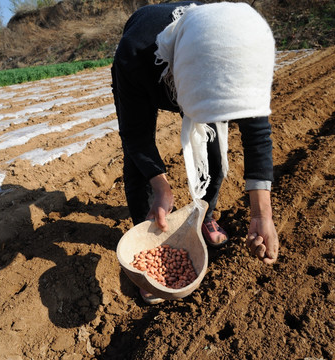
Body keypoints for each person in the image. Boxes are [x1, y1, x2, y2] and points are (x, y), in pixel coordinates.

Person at [111, 1, 279, 303]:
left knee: (214, 154)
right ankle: (149, 239)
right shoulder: (133, 56)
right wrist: (161, 186)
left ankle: (205, 215)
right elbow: (135, 136)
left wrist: (261, 214)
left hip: (201, 71)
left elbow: (257, 136)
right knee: (138, 166)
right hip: (151, 69)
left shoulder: (241, 55)